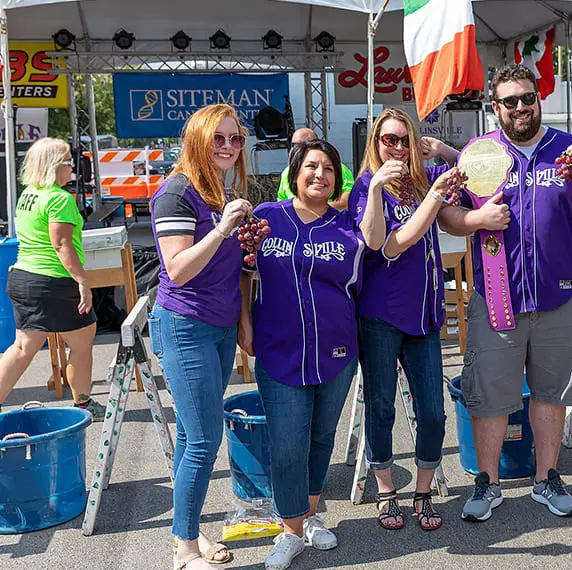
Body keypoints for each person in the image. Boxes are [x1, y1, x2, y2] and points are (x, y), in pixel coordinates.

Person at [455, 63, 572, 522]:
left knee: (552, 392)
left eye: (528, 98)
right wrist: (474, 221)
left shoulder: (570, 150)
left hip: (558, 295)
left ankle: (546, 479)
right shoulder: (479, 153)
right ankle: (487, 485)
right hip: (496, 295)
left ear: (538, 98)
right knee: (489, 393)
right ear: (496, 107)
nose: (521, 107)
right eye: (511, 101)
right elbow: (449, 215)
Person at [238, 139, 387, 569]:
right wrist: (244, 324)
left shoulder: (347, 229)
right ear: (294, 173)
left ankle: (310, 514)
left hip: (336, 350)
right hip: (278, 348)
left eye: (328, 168)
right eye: (311, 166)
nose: (319, 174)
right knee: (287, 444)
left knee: (321, 437)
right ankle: (289, 531)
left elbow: (373, 256)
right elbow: (245, 275)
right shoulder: (266, 219)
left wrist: (375, 187)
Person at [347, 107, 470, 532]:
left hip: (425, 315)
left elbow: (478, 169)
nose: (398, 148)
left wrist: (445, 150)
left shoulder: (422, 179)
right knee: (381, 408)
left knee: (433, 412)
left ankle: (422, 491)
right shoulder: (366, 186)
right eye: (389, 140)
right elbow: (386, 246)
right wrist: (383, 192)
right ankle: (386, 491)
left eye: (405, 139)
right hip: (380, 316)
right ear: (375, 145)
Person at [148, 104, 253, 570]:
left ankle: (183, 534)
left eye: (235, 139)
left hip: (218, 326)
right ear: (197, 140)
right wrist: (225, 228)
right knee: (205, 439)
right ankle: (186, 550)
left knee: (195, 436)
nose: (229, 147)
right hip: (185, 325)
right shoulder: (176, 193)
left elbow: (228, 267)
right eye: (219, 138)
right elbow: (178, 269)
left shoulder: (214, 193)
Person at [0, 137, 104, 418]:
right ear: (54, 166)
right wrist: (82, 281)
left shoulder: (29, 194)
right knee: (82, 344)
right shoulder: (59, 199)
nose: (72, 168)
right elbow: (62, 246)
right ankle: (83, 402)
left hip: (24, 277)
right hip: (54, 282)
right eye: (69, 162)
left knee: (22, 347)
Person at [277, 128, 354, 210]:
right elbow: (282, 201)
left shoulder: (337, 167)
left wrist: (322, 211)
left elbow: (349, 196)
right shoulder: (286, 172)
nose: (298, 149)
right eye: (294, 145)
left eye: (304, 144)